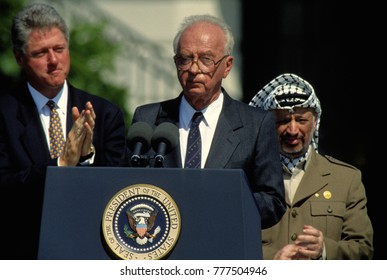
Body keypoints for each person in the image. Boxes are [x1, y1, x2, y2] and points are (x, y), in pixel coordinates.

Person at [127, 14, 286, 231]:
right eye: (184, 59)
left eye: (205, 59)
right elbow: (126, 188)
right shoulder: (148, 120)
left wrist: (214, 204)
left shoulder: (255, 124)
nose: (193, 70)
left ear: (227, 66)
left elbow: (273, 202)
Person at [0, 3, 126, 259]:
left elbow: (119, 192)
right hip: (23, 255)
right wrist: (61, 163)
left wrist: (88, 156)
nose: (53, 60)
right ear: (19, 57)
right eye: (40, 53)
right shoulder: (4, 114)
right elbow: (5, 189)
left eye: (59, 49)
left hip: (91, 253)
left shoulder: (104, 114)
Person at [249, 73, 374, 259]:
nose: (292, 130)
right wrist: (270, 260)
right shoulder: (246, 178)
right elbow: (225, 244)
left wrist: (324, 250)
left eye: (301, 120)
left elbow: (363, 251)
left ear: (315, 123)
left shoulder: (346, 180)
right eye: (283, 121)